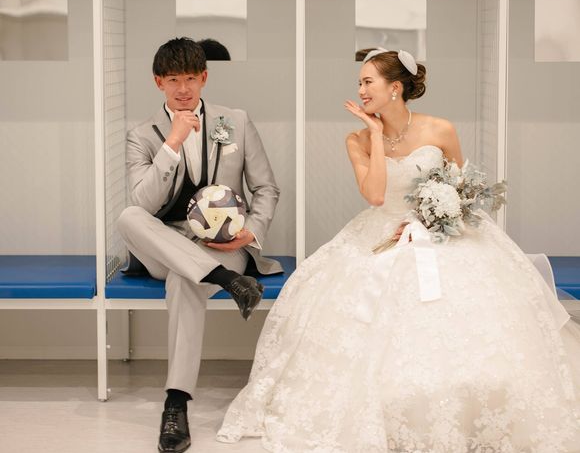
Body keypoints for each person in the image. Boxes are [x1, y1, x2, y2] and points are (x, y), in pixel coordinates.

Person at [217, 49, 580, 452]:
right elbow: (375, 195)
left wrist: (438, 214)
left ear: (395, 87)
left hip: (441, 233)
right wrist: (374, 135)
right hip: (380, 231)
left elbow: (462, 189)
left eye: (367, 81)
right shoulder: (356, 139)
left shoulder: (440, 129)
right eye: (359, 82)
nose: (360, 90)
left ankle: (461, 406)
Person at [117, 37, 281, 453]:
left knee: (184, 279)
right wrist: (171, 144)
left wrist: (251, 233)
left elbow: (266, 188)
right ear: (158, 82)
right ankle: (228, 281)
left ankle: (176, 404)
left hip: (224, 246)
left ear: (204, 77)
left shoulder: (236, 121)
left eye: (191, 78)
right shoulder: (142, 135)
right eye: (173, 79)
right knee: (128, 216)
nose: (183, 88)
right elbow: (144, 203)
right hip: (167, 244)